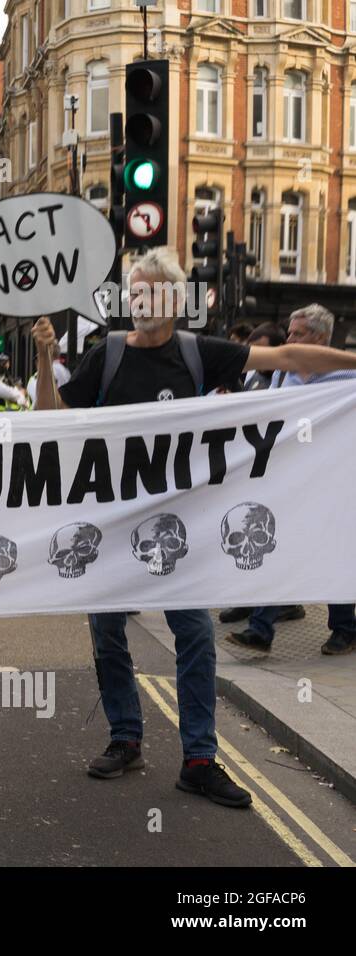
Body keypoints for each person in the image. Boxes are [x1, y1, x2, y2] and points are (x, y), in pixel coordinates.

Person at [32, 247, 356, 807]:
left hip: (180, 533)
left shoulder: (198, 353)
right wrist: (43, 358)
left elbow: (286, 356)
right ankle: (126, 737)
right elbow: (47, 420)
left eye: (151, 291)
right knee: (109, 638)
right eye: (133, 292)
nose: (140, 301)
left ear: (175, 300)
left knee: (197, 637)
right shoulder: (106, 356)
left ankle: (200, 758)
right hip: (107, 529)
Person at [226, 305, 356, 657]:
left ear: (319, 338)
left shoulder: (347, 378)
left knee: (333, 555)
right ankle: (261, 630)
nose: (290, 340)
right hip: (293, 480)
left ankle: (345, 629)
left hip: (335, 481)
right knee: (281, 550)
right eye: (290, 333)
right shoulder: (285, 377)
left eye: (298, 334)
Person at [26, 340, 71, 408]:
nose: (37, 363)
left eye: (38, 359)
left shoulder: (39, 376)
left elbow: (37, 399)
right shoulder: (66, 372)